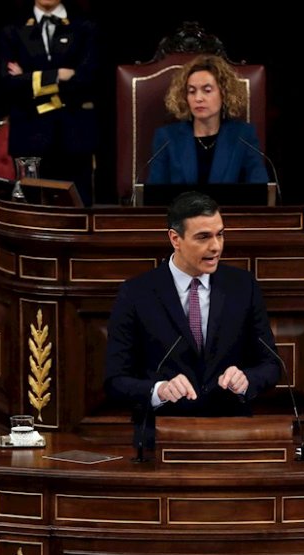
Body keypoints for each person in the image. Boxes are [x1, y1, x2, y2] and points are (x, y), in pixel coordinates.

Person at [104, 191, 280, 421]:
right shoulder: (136, 293)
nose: (216, 247)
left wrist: (246, 379)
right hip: (163, 432)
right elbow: (115, 380)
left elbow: (271, 365)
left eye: (220, 235)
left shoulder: (243, 287)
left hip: (230, 429)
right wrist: (160, 390)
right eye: (203, 237)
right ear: (175, 239)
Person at [0, 0, 98, 206]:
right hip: (29, 138)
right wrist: (59, 75)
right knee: (30, 217)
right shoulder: (12, 30)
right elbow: (9, 85)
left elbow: (87, 80)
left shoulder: (85, 27)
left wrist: (29, 77)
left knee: (77, 218)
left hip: (74, 138)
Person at [146, 54, 269, 186]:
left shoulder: (243, 136)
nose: (198, 98)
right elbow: (154, 195)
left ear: (224, 93)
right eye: (192, 91)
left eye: (207, 90)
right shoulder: (167, 138)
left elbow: (260, 191)